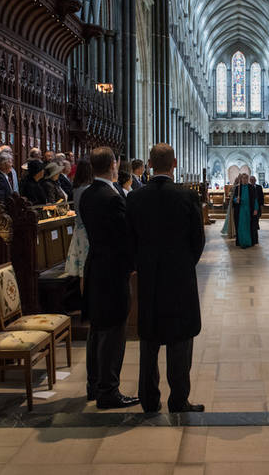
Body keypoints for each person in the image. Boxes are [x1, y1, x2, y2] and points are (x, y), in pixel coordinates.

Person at [126, 143, 205, 413]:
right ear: (174, 164)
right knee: (180, 340)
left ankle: (149, 400)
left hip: (148, 278)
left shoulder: (135, 198)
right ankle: (179, 400)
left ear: (149, 163)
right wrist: (183, 265)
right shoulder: (187, 197)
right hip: (180, 279)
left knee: (149, 340)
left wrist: (142, 265)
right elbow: (198, 240)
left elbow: (130, 239)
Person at [79, 147, 138, 409]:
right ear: (113, 164)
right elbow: (124, 237)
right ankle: (108, 391)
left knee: (98, 329)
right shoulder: (111, 197)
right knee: (114, 331)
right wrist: (134, 265)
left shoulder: (88, 194)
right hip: (113, 272)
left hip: (95, 268)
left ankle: (94, 385)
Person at [65, 159, 92, 289]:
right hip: (87, 231)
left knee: (83, 271)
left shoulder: (77, 187)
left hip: (80, 230)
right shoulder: (87, 189)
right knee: (86, 271)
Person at [233, 172, 259, 248]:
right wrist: (236, 200)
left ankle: (248, 242)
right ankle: (242, 242)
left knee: (249, 226)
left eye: (246, 178)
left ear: (247, 179)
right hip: (240, 210)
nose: (244, 180)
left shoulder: (251, 188)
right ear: (241, 179)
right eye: (243, 178)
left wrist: (255, 209)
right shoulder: (238, 188)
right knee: (241, 226)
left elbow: (255, 199)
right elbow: (234, 198)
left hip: (249, 209)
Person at [221, 174, 239, 239]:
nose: (237, 181)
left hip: (236, 204)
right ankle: (232, 231)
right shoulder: (234, 187)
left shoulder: (239, 187)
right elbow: (230, 194)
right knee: (231, 217)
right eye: (236, 180)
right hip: (232, 204)